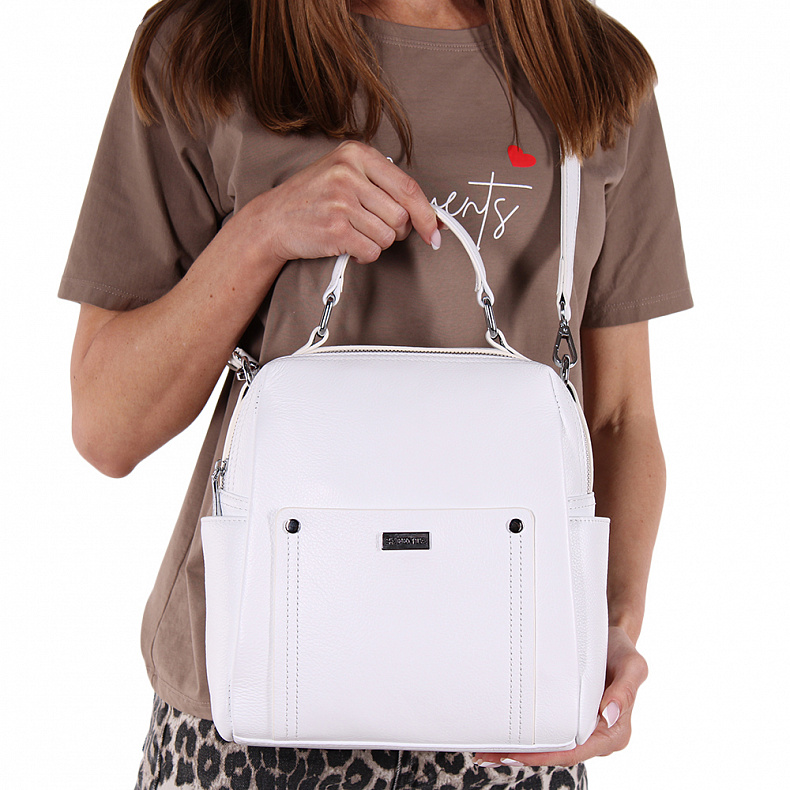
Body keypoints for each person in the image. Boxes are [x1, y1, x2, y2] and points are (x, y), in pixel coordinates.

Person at [60, 0, 692, 787]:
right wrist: (262, 232)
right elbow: (106, 427)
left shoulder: (595, 75)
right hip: (251, 707)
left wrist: (611, 629)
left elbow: (621, 416)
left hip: (509, 714)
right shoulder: (207, 46)